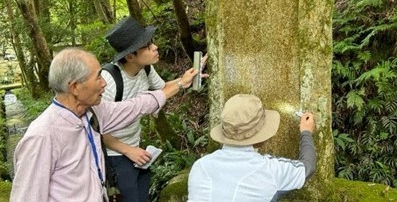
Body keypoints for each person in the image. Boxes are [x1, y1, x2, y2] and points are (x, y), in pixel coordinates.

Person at [10, 47, 198, 202]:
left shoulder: (92, 113)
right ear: (75, 87)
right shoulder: (43, 136)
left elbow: (136, 106)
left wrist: (181, 83)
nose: (104, 84)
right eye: (98, 77)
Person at [101, 16, 207, 202]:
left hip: (135, 148)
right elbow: (97, 126)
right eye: (147, 46)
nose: (155, 47)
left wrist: (188, 76)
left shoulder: (145, 69)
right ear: (130, 56)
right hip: (115, 154)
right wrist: (128, 150)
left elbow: (163, 89)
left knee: (143, 195)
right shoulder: (108, 80)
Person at [188, 94, 316, 202]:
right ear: (259, 134)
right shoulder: (269, 170)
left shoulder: (200, 166)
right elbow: (307, 167)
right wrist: (306, 132)